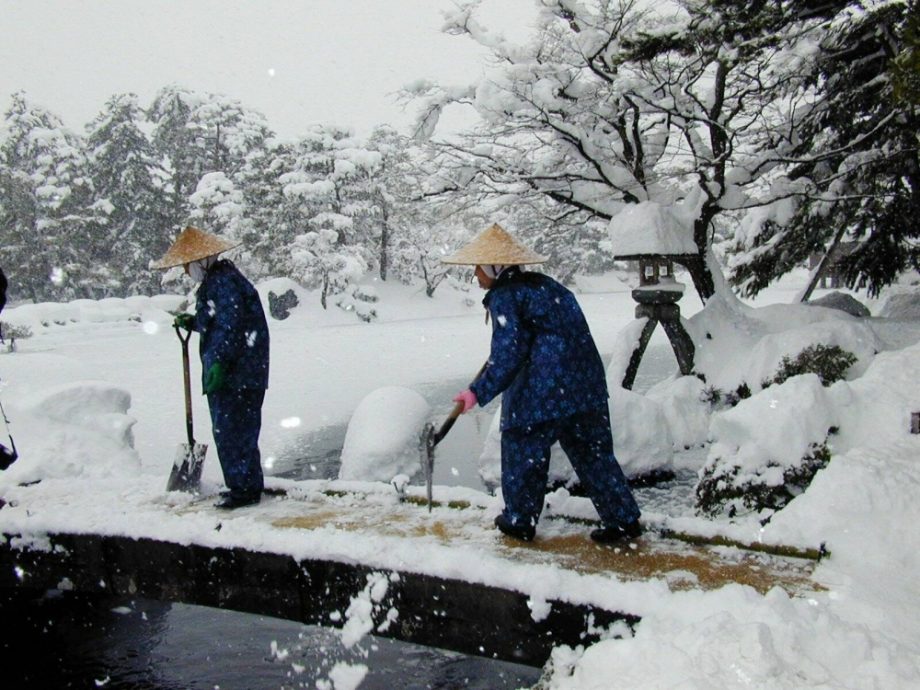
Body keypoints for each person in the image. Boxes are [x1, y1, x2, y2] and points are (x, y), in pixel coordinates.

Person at [443, 223, 641, 544]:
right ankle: (622, 519)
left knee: (522, 450)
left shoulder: (506, 296)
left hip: (542, 392)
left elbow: (508, 354)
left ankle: (520, 520)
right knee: (593, 455)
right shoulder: (548, 287)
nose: (475, 275)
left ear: (497, 267)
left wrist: (475, 394)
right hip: (585, 387)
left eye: (479, 267)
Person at [153, 226, 270, 510]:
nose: (185, 271)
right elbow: (221, 322)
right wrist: (195, 322)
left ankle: (243, 489)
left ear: (202, 261)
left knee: (232, 430)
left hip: (237, 374)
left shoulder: (223, 282)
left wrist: (219, 362)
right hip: (243, 370)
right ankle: (245, 486)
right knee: (237, 430)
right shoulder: (221, 280)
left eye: (187, 265)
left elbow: (230, 326)